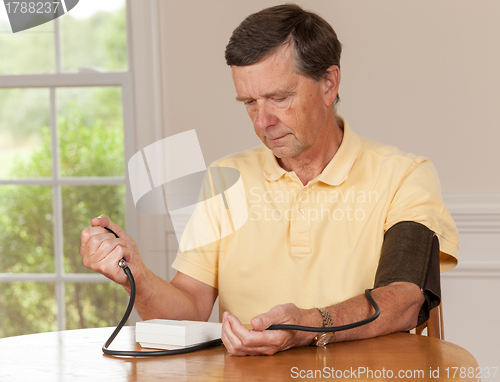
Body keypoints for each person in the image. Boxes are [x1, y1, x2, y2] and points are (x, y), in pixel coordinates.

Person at [80, 4, 458, 356]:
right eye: (249, 103)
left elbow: (404, 300)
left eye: (279, 98)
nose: (262, 122)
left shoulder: (405, 175)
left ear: (328, 83)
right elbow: (191, 308)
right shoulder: (223, 179)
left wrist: (307, 325)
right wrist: (138, 277)